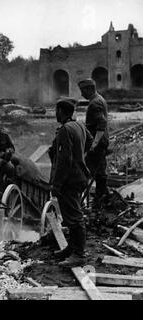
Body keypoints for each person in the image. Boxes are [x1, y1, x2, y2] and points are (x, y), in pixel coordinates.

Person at [50, 98, 93, 268]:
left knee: (74, 217)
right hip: (80, 175)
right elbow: (89, 142)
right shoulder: (80, 125)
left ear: (61, 111)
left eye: (56, 110)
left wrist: (56, 184)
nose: (55, 114)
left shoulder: (65, 130)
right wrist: (80, 157)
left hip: (70, 179)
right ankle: (72, 248)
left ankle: (79, 255)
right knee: (71, 214)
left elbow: (64, 160)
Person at [78, 78, 109, 210]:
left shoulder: (94, 103)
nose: (81, 94)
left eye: (83, 90)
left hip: (97, 144)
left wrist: (94, 144)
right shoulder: (99, 99)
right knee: (99, 171)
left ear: (90, 89)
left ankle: (101, 200)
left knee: (98, 172)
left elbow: (101, 124)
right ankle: (102, 198)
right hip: (100, 143)